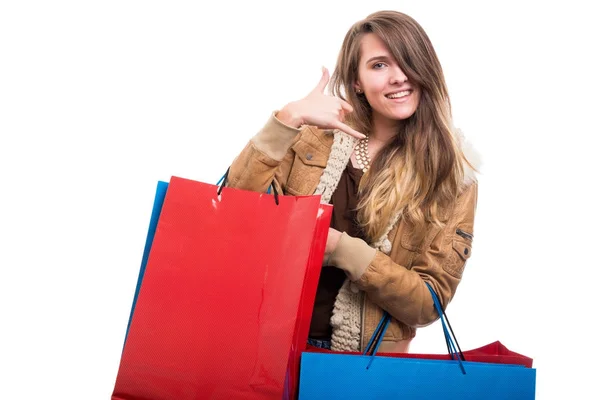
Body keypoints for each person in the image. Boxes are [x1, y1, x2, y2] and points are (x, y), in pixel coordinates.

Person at [225, 10, 480, 353]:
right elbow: (234, 210)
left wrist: (342, 250)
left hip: (364, 367)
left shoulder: (450, 173)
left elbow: (428, 303)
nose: (399, 77)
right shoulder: (312, 139)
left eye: (408, 61)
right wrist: (289, 118)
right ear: (357, 80)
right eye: (379, 65)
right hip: (266, 346)